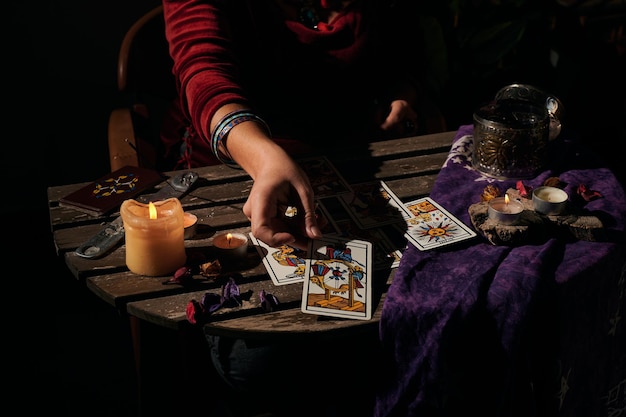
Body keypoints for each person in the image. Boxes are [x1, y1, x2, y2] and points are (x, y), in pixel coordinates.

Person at [160, 0, 444, 415]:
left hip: (357, 173)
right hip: (233, 180)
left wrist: (403, 97)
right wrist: (264, 158)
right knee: (260, 362)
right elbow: (203, 73)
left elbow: (406, 55)